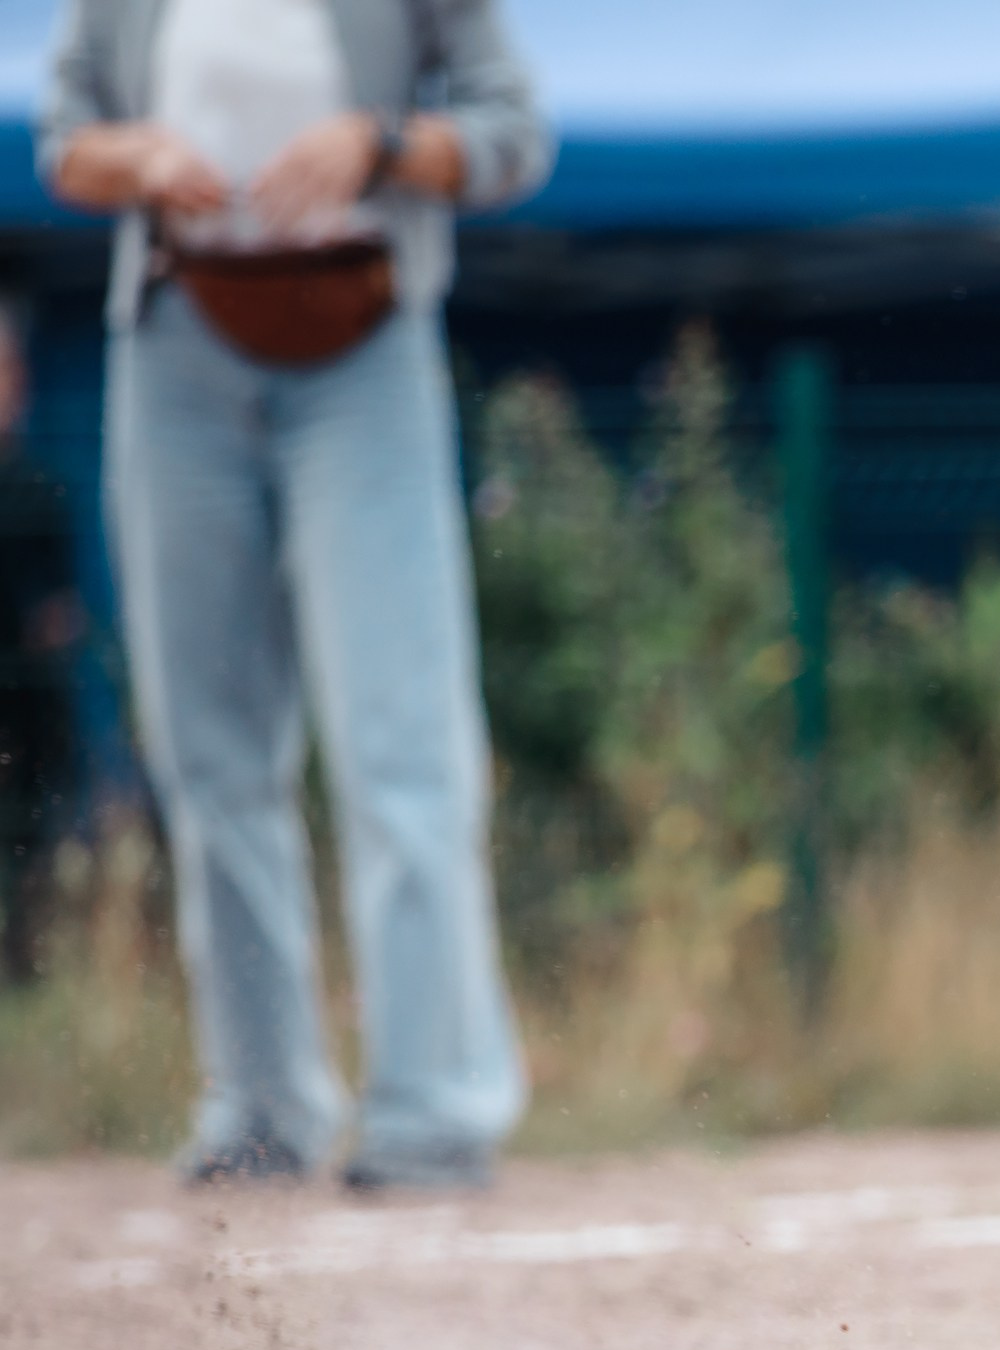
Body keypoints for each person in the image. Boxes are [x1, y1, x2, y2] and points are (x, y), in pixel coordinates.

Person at [41, 0, 552, 1189]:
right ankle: (261, 1106)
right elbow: (65, 142)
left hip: (365, 342)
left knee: (399, 736)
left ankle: (433, 1109)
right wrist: (140, 157)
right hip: (177, 341)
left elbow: (513, 135)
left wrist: (375, 143)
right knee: (206, 747)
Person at [0, 306, 82, 988]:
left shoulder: (36, 486)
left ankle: (24, 966)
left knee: (31, 843)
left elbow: (58, 616)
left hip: (28, 717)